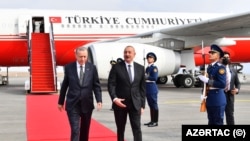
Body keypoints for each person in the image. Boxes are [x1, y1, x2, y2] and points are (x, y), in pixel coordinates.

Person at [58, 47, 102, 141]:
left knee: (85, 130)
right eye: (80, 57)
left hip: (87, 103)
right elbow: (65, 85)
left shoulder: (92, 68)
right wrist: (60, 101)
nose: (82, 59)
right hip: (73, 104)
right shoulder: (69, 67)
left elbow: (96, 85)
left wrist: (99, 100)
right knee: (75, 130)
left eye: (85, 57)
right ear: (76, 56)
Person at [107, 45, 146, 141]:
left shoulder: (140, 68)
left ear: (134, 54)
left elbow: (142, 88)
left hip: (135, 104)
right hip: (120, 104)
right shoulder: (116, 67)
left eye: (129, 52)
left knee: (137, 129)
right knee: (120, 129)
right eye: (125, 52)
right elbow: (111, 84)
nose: (127, 54)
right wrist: (115, 99)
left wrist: (142, 105)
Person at [198, 44, 227, 125]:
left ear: (218, 56)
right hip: (210, 98)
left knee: (217, 122)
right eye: (210, 52)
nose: (210, 54)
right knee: (211, 122)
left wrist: (207, 80)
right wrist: (203, 93)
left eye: (213, 53)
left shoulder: (220, 68)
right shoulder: (210, 67)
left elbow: (222, 84)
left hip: (217, 99)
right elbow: (206, 85)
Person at [221, 51, 241, 125]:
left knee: (230, 116)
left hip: (230, 96)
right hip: (220, 95)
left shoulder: (233, 70)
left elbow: (238, 83)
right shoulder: (217, 69)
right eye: (224, 57)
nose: (226, 58)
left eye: (228, 57)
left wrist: (237, 89)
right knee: (219, 116)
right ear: (221, 58)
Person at [144, 52, 159, 127]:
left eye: (150, 58)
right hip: (147, 88)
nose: (149, 59)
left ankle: (155, 121)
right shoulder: (147, 68)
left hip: (152, 88)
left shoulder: (154, 68)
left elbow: (155, 78)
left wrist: (146, 77)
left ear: (153, 60)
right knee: (150, 105)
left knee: (154, 105)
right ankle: (152, 120)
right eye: (148, 58)